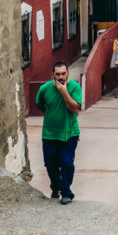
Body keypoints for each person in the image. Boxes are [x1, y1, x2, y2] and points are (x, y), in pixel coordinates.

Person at [35, 61, 82, 204]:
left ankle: (67, 192)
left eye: (63, 73)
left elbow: (76, 108)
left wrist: (64, 92)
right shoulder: (44, 89)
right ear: (53, 75)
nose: (61, 77)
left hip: (70, 133)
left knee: (67, 163)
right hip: (49, 134)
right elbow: (40, 105)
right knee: (51, 164)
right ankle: (56, 188)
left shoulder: (74, 87)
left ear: (68, 73)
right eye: (58, 74)